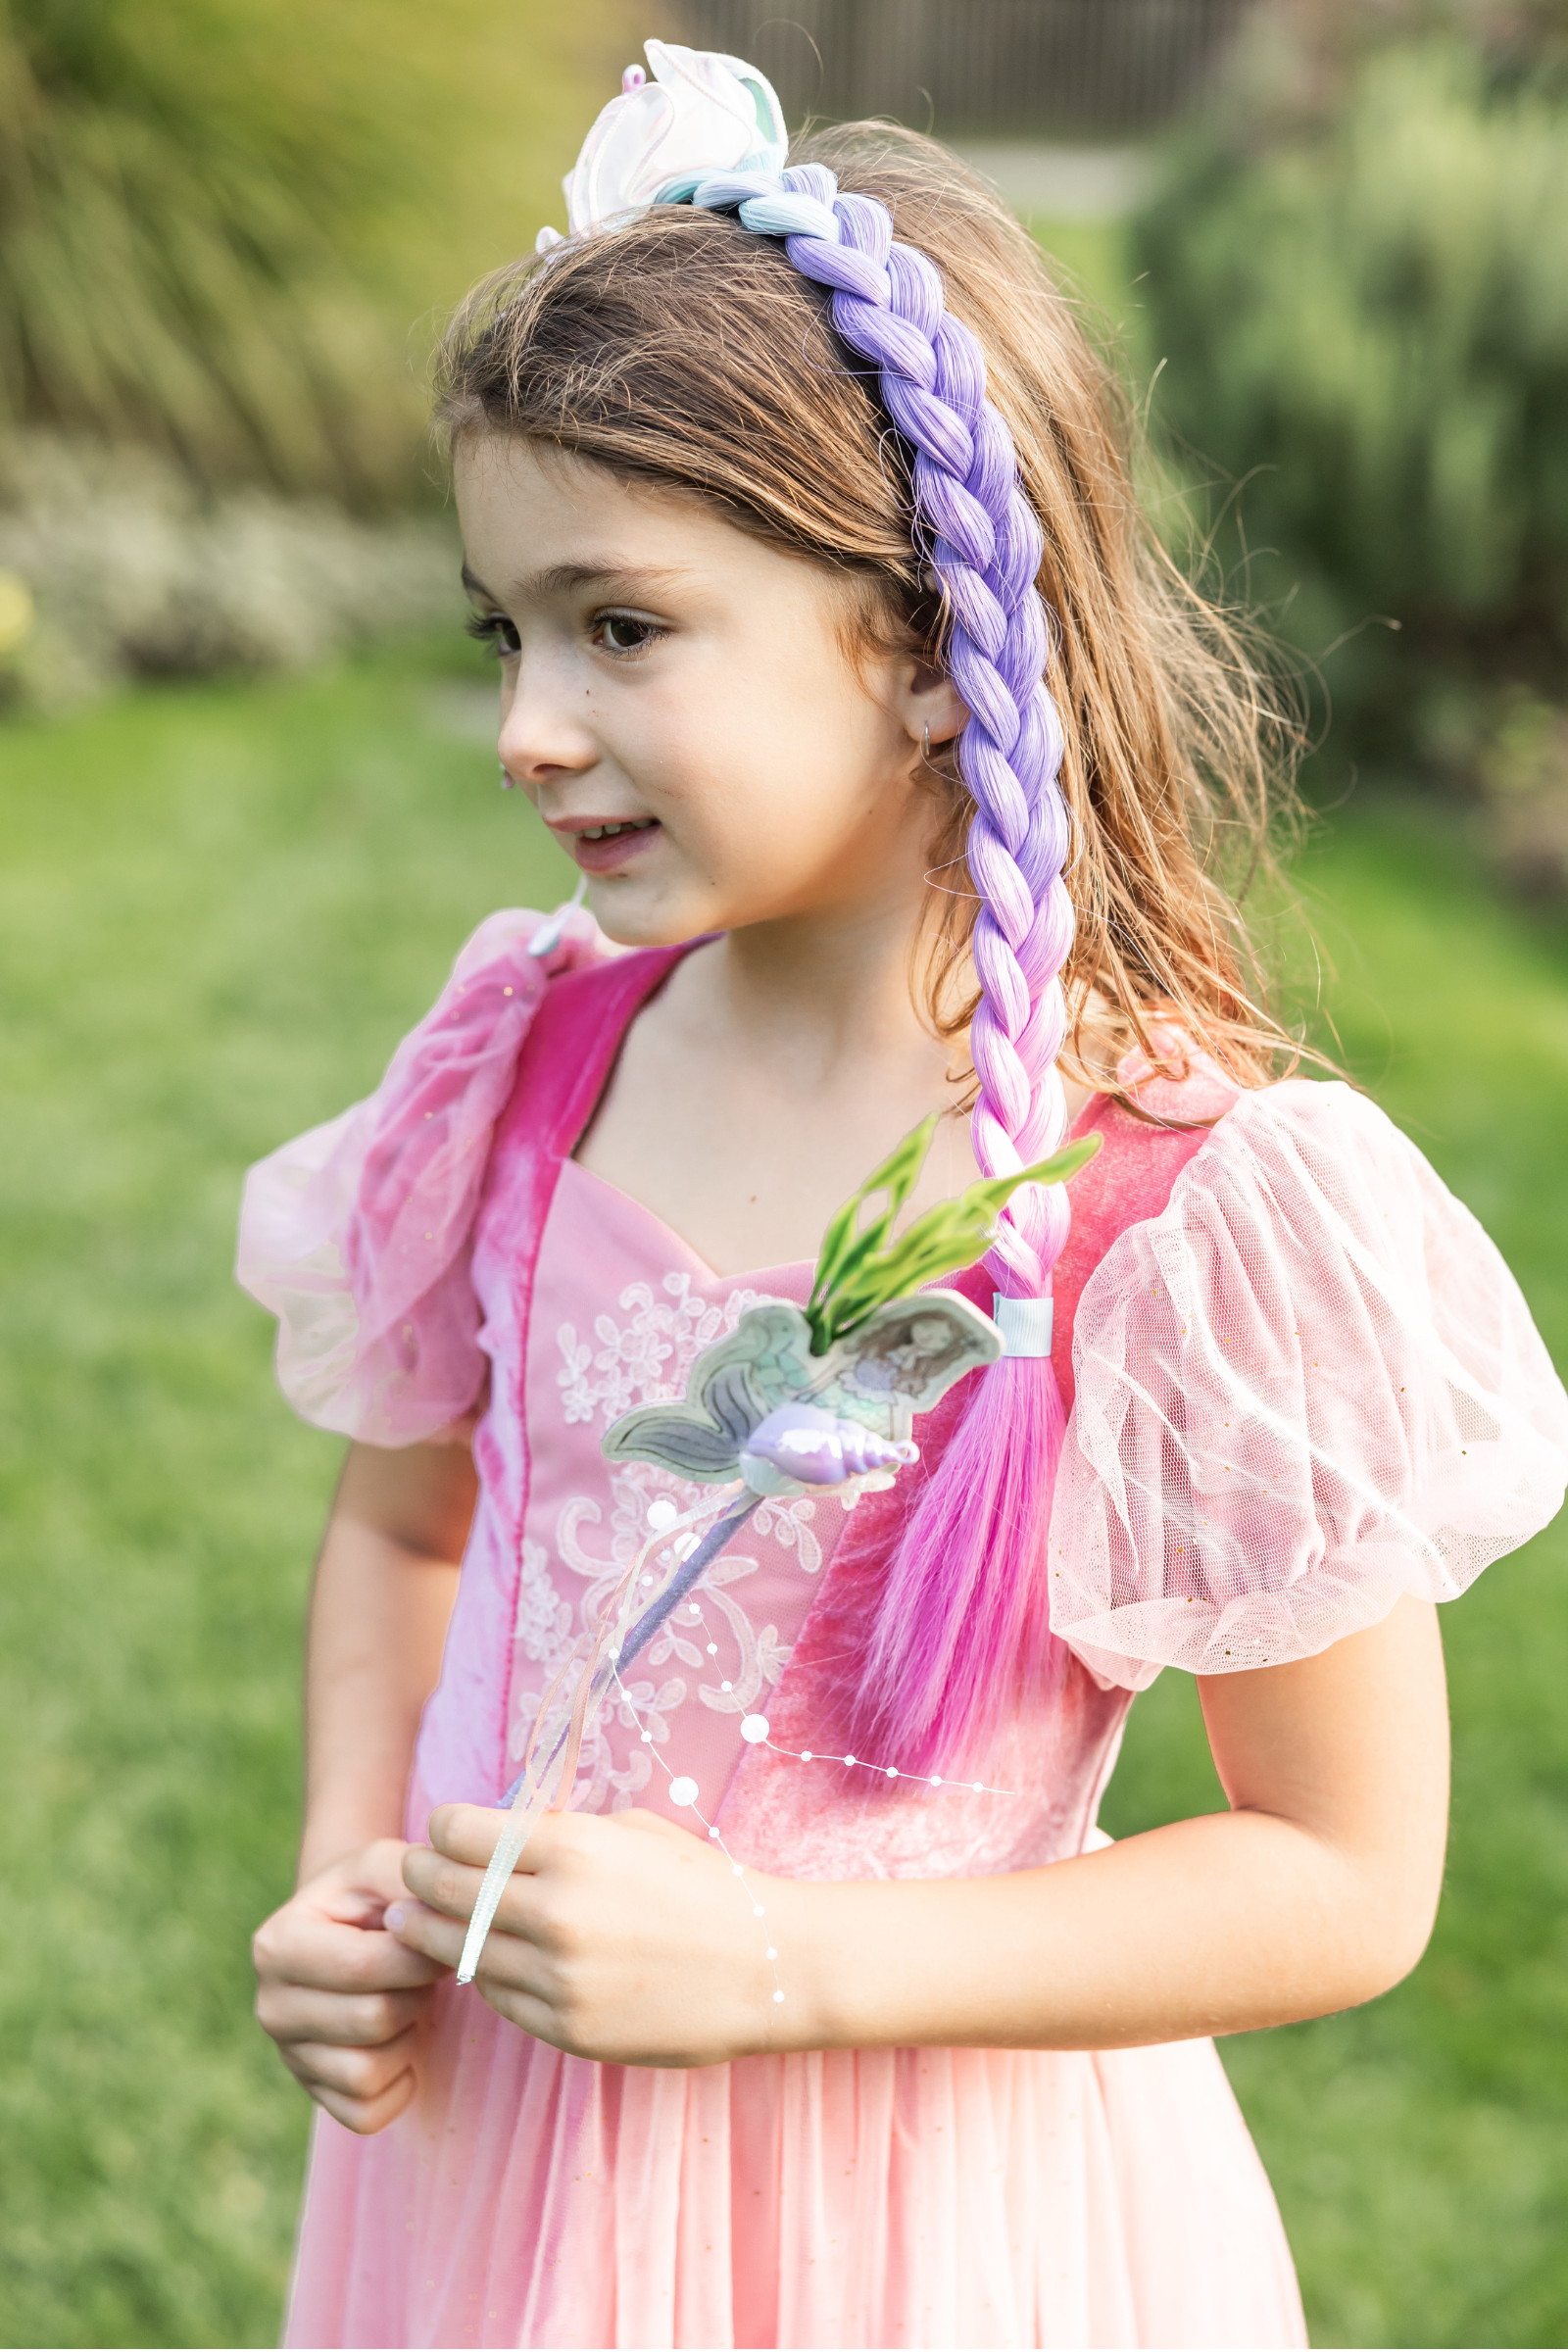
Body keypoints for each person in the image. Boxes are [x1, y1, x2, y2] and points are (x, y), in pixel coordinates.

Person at [239, 44, 1568, 2350]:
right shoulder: (533, 1062)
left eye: (617, 626)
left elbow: (1341, 1874)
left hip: (917, 2210)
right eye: (503, 630)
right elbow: (406, 1529)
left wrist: (781, 1964)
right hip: (503, 2155)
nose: (526, 725)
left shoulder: (1165, 1205)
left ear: (939, 647)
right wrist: (355, 1865)